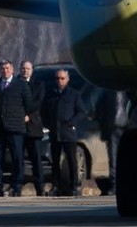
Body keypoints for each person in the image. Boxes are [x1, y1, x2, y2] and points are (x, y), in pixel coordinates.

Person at [0, 59, 35, 197]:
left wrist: (23, 115)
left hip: (15, 127)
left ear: (12, 69)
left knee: (17, 158)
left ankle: (17, 186)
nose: (5, 71)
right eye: (2, 68)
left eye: (7, 68)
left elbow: (29, 104)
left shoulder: (21, 85)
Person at [42, 67, 87, 196]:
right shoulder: (50, 95)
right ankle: (56, 186)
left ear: (67, 79)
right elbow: (44, 112)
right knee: (55, 162)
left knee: (72, 160)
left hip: (68, 133)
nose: (59, 81)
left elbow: (82, 112)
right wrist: (48, 124)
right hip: (55, 132)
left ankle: (74, 186)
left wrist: (72, 123)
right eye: (57, 78)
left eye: (62, 78)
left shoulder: (73, 94)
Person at [95, 88, 128, 196]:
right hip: (115, 126)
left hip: (122, 126)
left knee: (121, 158)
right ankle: (116, 185)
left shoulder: (128, 91)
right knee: (115, 158)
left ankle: (121, 185)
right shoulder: (108, 91)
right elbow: (100, 108)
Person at [20, 61, 46, 196]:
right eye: (23, 68)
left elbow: (38, 102)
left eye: (28, 69)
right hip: (19, 127)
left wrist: (27, 114)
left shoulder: (38, 84)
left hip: (34, 127)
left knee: (36, 159)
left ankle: (40, 187)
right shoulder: (16, 83)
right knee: (18, 159)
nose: (25, 71)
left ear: (32, 70)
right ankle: (17, 187)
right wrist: (20, 115)